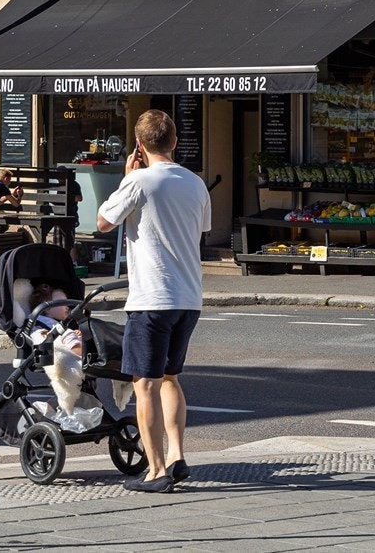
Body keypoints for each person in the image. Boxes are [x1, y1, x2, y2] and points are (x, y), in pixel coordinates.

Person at [97, 109, 210, 494]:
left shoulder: (139, 181)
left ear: (140, 146)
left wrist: (128, 178)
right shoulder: (195, 183)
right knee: (170, 378)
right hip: (189, 296)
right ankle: (177, 456)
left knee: (143, 383)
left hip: (151, 297)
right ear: (175, 142)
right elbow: (201, 230)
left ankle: (156, 470)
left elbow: (103, 222)